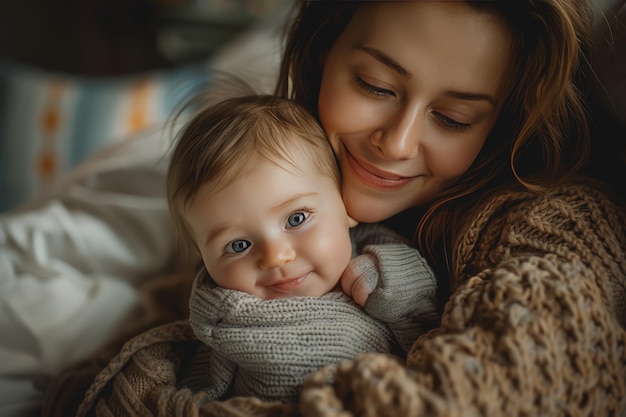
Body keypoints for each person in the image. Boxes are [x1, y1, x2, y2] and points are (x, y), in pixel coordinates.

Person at [35, 1, 626, 416]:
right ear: (321, 55)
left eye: (453, 119)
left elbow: (528, 373)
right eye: (374, 85)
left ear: (499, 127)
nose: (395, 144)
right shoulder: (257, 189)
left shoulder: (551, 226)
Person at [163, 82, 437, 402]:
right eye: (238, 245)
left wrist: (387, 277)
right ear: (205, 259)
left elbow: (426, 323)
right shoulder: (223, 319)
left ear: (345, 203)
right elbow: (199, 393)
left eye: (296, 219)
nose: (276, 256)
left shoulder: (378, 259)